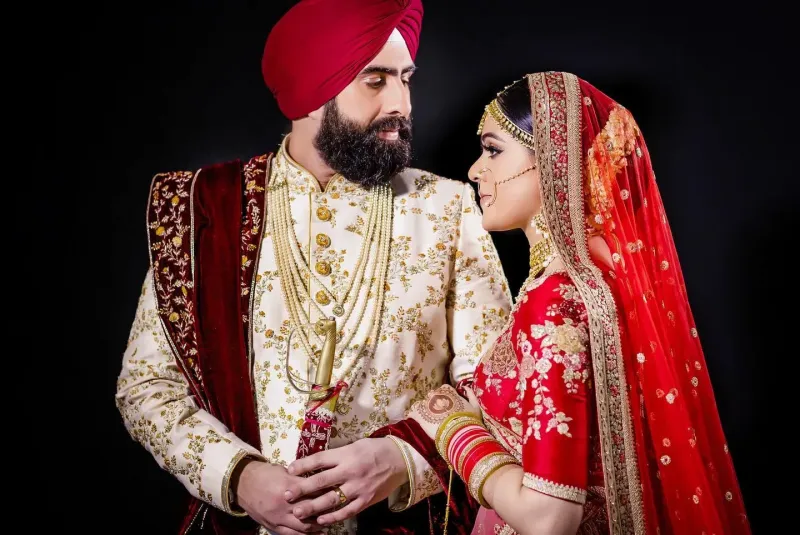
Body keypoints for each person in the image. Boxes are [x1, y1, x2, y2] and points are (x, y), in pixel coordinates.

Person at [288, 72, 752, 534]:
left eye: (493, 150)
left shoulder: (556, 301)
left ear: (553, 161)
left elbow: (548, 518)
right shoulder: (598, 280)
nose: (474, 170)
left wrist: (453, 429)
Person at [114, 1, 512, 534]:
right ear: (310, 93)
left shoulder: (447, 208)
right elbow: (146, 387)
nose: (401, 102)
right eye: (375, 81)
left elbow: (502, 390)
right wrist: (239, 478)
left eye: (406, 79)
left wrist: (402, 460)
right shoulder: (206, 209)